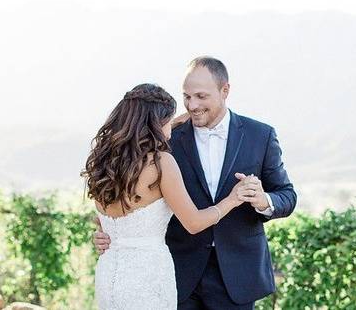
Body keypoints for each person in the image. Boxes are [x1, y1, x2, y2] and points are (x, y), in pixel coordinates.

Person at [94, 57, 297, 309]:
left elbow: (287, 195)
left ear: (225, 91)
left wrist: (264, 200)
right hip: (178, 273)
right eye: (187, 97)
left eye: (201, 96)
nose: (192, 105)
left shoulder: (261, 135)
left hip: (236, 276)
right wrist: (108, 232)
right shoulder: (164, 140)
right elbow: (125, 191)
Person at [83, 83, 251, 309]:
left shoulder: (103, 163)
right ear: (156, 124)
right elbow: (194, 222)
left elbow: (109, 222)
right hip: (148, 277)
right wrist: (232, 199)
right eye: (167, 121)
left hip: (109, 274)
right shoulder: (161, 163)